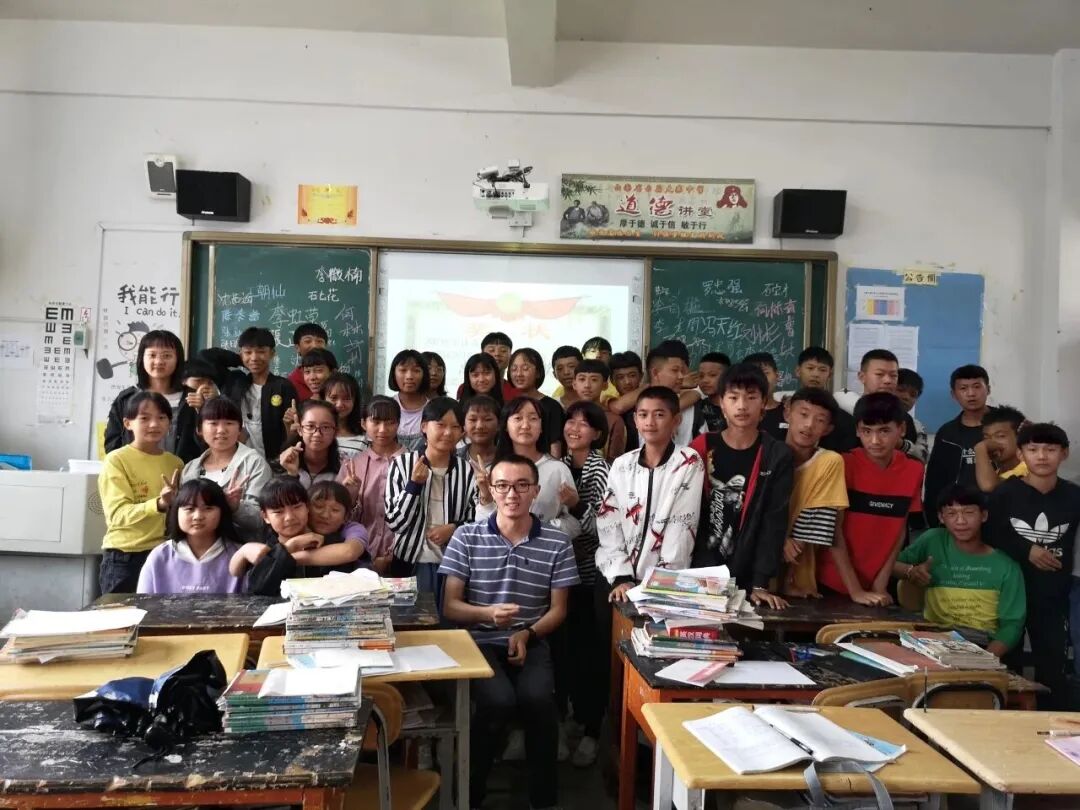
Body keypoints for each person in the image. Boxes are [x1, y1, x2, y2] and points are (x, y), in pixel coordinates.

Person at [439, 454, 580, 810]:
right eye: (502, 486)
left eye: (521, 486)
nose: (511, 494)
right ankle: (468, 794)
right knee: (497, 701)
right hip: (478, 642)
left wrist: (527, 634)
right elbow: (450, 606)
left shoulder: (556, 542)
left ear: (535, 491)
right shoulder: (467, 537)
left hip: (531, 639)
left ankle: (543, 799)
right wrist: (486, 614)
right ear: (490, 489)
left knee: (539, 700)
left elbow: (559, 610)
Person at [987, 423, 1080, 707]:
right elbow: (990, 533)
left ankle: (1054, 725)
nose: (1041, 456)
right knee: (1008, 667)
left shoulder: (1074, 495)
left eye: (1050, 449)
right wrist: (1027, 549)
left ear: (1064, 454)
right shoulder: (1004, 493)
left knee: (1052, 668)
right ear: (1020, 453)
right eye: (1033, 449)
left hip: (1054, 595)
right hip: (1009, 595)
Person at [689, 364, 793, 607]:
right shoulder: (701, 446)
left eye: (751, 397)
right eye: (733, 397)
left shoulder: (776, 454)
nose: (742, 406)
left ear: (764, 403)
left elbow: (774, 520)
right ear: (721, 403)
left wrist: (760, 582)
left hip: (746, 571)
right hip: (697, 570)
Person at [895, 485, 1025, 658]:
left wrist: (985, 660)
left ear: (984, 515)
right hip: (930, 639)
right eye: (951, 513)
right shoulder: (932, 540)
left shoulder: (1007, 566)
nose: (961, 521)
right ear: (941, 517)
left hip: (980, 643)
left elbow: (1012, 625)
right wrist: (910, 571)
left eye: (969, 512)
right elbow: (889, 565)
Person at [818, 393, 924, 605]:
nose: (875, 441)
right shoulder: (842, 464)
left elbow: (899, 530)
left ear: (901, 429)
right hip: (830, 582)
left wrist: (880, 585)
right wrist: (856, 591)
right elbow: (833, 532)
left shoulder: (914, 469)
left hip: (875, 585)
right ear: (857, 430)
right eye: (867, 431)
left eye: (884, 431)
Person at [597, 386, 704, 594]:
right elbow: (609, 521)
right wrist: (621, 576)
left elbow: (682, 525)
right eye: (643, 415)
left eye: (659, 415)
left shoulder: (688, 462)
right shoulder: (622, 464)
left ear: (676, 420)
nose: (650, 422)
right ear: (635, 420)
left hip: (661, 584)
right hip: (616, 578)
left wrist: (661, 582)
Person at [384, 397, 477, 596]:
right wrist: (414, 485)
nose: (448, 432)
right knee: (410, 614)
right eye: (441, 425)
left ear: (462, 432)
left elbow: (476, 519)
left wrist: (454, 528)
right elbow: (395, 523)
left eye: (455, 427)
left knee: (449, 615)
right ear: (424, 426)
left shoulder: (466, 470)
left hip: (454, 562)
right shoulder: (402, 464)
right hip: (410, 560)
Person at [560, 400, 611, 766]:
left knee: (591, 656)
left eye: (584, 423)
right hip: (562, 574)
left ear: (597, 433)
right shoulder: (559, 466)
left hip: (593, 575)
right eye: (570, 421)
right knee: (567, 653)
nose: (574, 428)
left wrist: (577, 506)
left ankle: (592, 730)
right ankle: (572, 721)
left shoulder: (602, 469)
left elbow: (608, 527)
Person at [98, 391, 184, 594]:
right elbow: (117, 515)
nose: (154, 424)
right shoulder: (116, 460)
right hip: (124, 557)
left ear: (169, 423)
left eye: (161, 418)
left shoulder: (175, 463)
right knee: (120, 613)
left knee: (159, 613)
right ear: (128, 423)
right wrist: (158, 504)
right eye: (144, 418)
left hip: (164, 555)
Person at [231, 478, 366, 594]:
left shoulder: (332, 544)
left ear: (307, 507)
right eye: (278, 512)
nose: (289, 517)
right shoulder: (264, 548)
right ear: (265, 516)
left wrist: (284, 556)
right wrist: (290, 546)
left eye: (296, 507)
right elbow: (258, 588)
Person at [780, 388, 849, 599]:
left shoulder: (829, 461)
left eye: (819, 420)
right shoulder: (766, 453)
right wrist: (779, 539)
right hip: (755, 575)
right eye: (803, 414)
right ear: (787, 413)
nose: (809, 424)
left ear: (828, 428)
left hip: (798, 577)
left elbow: (815, 524)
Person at [479, 397, 580, 540]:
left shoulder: (558, 470)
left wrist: (539, 529)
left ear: (542, 427)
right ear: (506, 426)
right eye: (518, 418)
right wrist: (486, 498)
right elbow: (481, 526)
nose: (525, 425)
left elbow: (574, 525)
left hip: (544, 549)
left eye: (533, 418)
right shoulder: (493, 471)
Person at [180, 396, 273, 537]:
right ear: (199, 429)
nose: (221, 430)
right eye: (213, 423)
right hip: (196, 545)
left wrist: (236, 508)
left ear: (240, 429)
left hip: (240, 546)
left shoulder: (254, 463)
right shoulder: (190, 469)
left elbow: (261, 520)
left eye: (229, 423)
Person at [200, 327, 297, 461]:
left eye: (261, 352)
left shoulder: (282, 386)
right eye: (248, 352)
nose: (254, 357)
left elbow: (292, 428)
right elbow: (205, 356)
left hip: (274, 461)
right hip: (236, 459)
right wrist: (243, 361)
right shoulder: (234, 382)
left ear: (272, 353)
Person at [105, 330, 202, 462]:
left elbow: (206, 443)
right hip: (134, 472)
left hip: (182, 471)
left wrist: (202, 410)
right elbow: (112, 443)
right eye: (152, 355)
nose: (159, 361)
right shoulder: (127, 399)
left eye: (167, 355)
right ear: (142, 358)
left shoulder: (193, 398)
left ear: (178, 360)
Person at [137, 479, 245, 594]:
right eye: (189, 509)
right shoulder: (160, 556)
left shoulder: (240, 555)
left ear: (222, 512)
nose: (198, 516)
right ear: (176, 512)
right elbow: (144, 601)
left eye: (208, 508)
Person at [338, 396, 404, 575]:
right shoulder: (353, 465)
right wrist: (351, 495)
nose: (383, 429)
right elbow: (339, 516)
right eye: (376, 422)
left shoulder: (413, 463)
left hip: (403, 556)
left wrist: (391, 554)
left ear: (398, 424)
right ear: (363, 423)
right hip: (360, 556)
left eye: (390, 423)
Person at [925, 365, 992, 526]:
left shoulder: (1006, 426)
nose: (971, 393)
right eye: (963, 388)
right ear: (953, 395)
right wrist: (934, 521)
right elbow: (934, 482)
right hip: (960, 515)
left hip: (1000, 509)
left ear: (988, 389)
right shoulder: (947, 433)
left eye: (977, 386)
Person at [609, 340, 701, 448]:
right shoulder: (628, 410)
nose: (681, 376)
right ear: (655, 372)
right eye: (675, 370)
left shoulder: (692, 405)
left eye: (682, 371)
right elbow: (617, 407)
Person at [794, 347, 858, 453]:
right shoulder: (786, 409)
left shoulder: (843, 420)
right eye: (810, 368)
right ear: (798, 371)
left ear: (830, 375)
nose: (816, 374)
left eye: (822, 370)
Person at [507, 348, 565, 458]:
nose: (518, 374)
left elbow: (555, 445)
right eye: (514, 369)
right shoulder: (509, 406)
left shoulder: (552, 407)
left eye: (525, 369)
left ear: (538, 372)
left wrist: (554, 465)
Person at [278, 399, 345, 488]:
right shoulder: (283, 463)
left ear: (336, 432)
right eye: (310, 426)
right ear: (300, 430)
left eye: (325, 427)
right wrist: (292, 475)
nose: (317, 434)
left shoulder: (344, 468)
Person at [571, 359, 626, 462]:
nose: (587, 385)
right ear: (574, 384)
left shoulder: (614, 420)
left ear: (605, 385)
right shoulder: (567, 415)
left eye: (594, 380)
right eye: (582, 379)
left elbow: (615, 461)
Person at [974, 405, 1028, 492]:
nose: (991, 443)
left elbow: (989, 487)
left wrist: (980, 448)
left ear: (1020, 437)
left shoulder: (1028, 470)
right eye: (986, 437)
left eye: (1000, 436)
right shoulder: (994, 473)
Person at [387, 349, 431, 451]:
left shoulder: (434, 409)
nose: (409, 376)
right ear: (394, 373)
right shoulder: (385, 407)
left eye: (416, 371)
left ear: (424, 375)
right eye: (403, 370)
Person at [322, 372, 367, 458]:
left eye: (346, 398)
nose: (339, 404)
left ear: (355, 401)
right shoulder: (314, 432)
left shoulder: (365, 436)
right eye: (333, 398)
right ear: (323, 399)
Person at [743, 352, 786, 440]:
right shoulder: (740, 413)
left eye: (765, 373)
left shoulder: (788, 411)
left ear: (777, 376)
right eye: (753, 374)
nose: (760, 379)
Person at [609, 351, 644, 451]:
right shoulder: (608, 399)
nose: (627, 382)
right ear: (612, 380)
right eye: (620, 377)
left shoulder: (651, 401)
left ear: (641, 376)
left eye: (632, 375)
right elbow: (618, 407)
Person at [690, 351, 730, 436]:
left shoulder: (737, 408)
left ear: (727, 376)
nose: (705, 380)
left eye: (712, 375)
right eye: (701, 376)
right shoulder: (697, 407)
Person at [287, 322, 329, 402]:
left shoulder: (336, 379)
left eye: (319, 341)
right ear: (297, 347)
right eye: (308, 341)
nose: (314, 346)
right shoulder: (290, 384)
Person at [456, 395, 500, 470]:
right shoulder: (454, 458)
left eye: (487, 419)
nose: (480, 426)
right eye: (473, 419)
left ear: (499, 424)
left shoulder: (510, 459)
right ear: (464, 425)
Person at [895, 368, 929, 463]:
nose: (906, 397)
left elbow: (924, 456)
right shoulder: (868, 416)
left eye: (913, 395)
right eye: (901, 390)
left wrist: (902, 445)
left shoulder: (916, 425)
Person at [480, 331, 521, 401]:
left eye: (503, 351)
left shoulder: (516, 392)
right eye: (491, 350)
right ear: (481, 355)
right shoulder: (467, 389)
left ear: (511, 356)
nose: (497, 354)